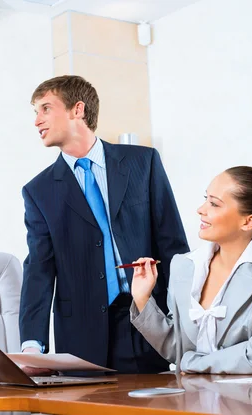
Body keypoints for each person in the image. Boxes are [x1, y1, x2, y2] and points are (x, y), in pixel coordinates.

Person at [19, 75, 189, 374]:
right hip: (80, 338)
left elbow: (173, 245)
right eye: (35, 112)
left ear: (78, 110)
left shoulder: (143, 162)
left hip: (147, 321)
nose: (36, 121)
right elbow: (39, 269)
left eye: (45, 108)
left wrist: (185, 320)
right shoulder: (39, 190)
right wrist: (33, 346)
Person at [130, 166, 252, 374]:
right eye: (205, 198)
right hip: (194, 395)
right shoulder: (184, 265)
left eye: (214, 204)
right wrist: (142, 298)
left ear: (248, 221)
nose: (201, 209)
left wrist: (191, 363)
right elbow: (178, 349)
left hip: (251, 399)